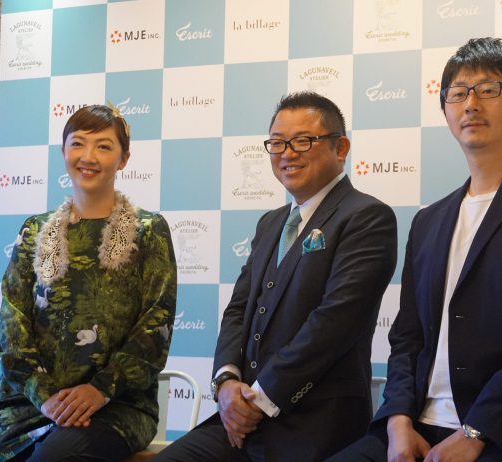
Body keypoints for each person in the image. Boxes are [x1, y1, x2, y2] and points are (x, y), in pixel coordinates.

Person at [327, 37, 502, 462]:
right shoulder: (429, 221)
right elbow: (407, 337)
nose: (471, 103)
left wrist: (476, 433)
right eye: (457, 93)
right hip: (419, 425)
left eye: (488, 89)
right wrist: (397, 420)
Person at [154, 91, 398, 462]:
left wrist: (262, 399)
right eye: (278, 143)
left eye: (303, 141)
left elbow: (334, 323)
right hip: (240, 422)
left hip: (316, 425)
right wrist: (226, 382)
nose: (287, 153)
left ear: (341, 147)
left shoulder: (366, 217)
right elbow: (238, 310)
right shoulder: (270, 223)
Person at [0, 104, 177, 461]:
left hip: (115, 406)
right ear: (64, 151)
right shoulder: (35, 230)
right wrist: (44, 395)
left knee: (55, 457)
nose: (88, 157)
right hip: (31, 405)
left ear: (124, 159)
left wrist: (100, 389)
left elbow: (155, 324)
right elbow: (11, 322)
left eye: (104, 146)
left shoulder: (149, 230)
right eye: (78, 143)